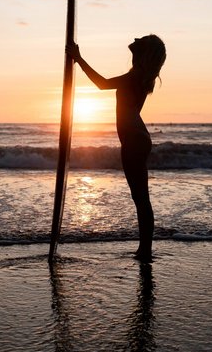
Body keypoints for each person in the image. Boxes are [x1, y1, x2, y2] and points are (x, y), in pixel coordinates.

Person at [67, 35, 166, 261]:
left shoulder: (133, 78)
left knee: (140, 198)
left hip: (134, 140)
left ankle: (145, 250)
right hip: (137, 139)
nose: (134, 41)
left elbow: (101, 84)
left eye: (138, 48)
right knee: (141, 198)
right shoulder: (142, 78)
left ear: (143, 56)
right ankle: (145, 249)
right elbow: (133, 47)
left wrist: (79, 59)